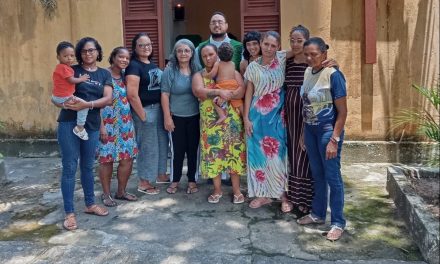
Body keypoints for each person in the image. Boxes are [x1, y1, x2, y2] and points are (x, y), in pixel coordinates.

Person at [53, 37, 113, 231]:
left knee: (87, 166)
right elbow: (57, 92)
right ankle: (69, 212)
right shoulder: (72, 69)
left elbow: (108, 99)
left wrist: (87, 105)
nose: (88, 53)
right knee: (70, 167)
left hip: (92, 125)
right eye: (84, 51)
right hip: (69, 123)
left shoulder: (104, 74)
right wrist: (61, 103)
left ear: (98, 52)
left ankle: (90, 204)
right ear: (80, 53)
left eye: (92, 50)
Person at [283, 25, 339, 217]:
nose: (295, 44)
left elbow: (330, 87)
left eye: (300, 40)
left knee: (308, 160)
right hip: (292, 118)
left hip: (311, 119)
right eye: (292, 40)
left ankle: (310, 203)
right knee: (294, 157)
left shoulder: (320, 66)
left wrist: (335, 64)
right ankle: (295, 198)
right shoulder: (287, 62)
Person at [296, 37, 347, 242]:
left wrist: (334, 139)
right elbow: (306, 106)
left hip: (328, 131)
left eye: (314, 54)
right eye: (306, 54)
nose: (309, 58)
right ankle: (317, 214)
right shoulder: (308, 72)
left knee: (332, 176)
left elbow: (342, 112)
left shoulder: (334, 75)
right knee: (317, 174)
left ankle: (338, 222)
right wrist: (302, 133)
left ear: (324, 54)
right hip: (310, 130)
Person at [192, 44, 246, 204]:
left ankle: (237, 190)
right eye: (204, 56)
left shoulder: (233, 71)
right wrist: (218, 92)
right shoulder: (199, 76)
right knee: (214, 155)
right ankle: (217, 189)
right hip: (211, 123)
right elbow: (198, 91)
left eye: (210, 54)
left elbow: (242, 90)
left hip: (232, 122)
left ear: (217, 55)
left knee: (234, 154)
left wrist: (228, 95)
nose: (208, 58)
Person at [243, 31, 288, 209]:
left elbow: (303, 49)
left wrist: (331, 61)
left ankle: (283, 195)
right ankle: (262, 195)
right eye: (266, 44)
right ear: (261, 43)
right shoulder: (252, 67)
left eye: (273, 45)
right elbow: (248, 93)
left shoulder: (282, 58)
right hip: (256, 116)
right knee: (258, 156)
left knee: (279, 156)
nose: (269, 48)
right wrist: (246, 118)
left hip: (277, 118)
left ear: (278, 47)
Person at [126, 32, 169, 195]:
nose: (146, 48)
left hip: (158, 109)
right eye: (141, 45)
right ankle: (144, 182)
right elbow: (131, 93)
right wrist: (143, 115)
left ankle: (159, 174)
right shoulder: (134, 66)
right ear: (135, 48)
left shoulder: (150, 64)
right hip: (145, 110)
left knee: (161, 143)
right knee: (148, 147)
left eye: (149, 44)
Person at [97, 47, 138, 207]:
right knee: (106, 160)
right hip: (107, 125)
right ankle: (106, 194)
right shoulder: (102, 75)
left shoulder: (125, 77)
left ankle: (121, 191)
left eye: (127, 58)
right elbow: (98, 103)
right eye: (121, 57)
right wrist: (101, 127)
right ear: (113, 57)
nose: (124, 60)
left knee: (127, 160)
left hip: (125, 125)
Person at [161, 39, 201, 194]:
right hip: (176, 116)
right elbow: (164, 94)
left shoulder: (197, 70)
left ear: (192, 53)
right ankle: (175, 180)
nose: (183, 54)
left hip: (195, 117)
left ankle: (192, 180)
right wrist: (167, 117)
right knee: (177, 151)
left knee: (193, 150)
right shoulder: (170, 71)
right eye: (179, 50)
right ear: (175, 53)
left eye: (186, 50)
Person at [51, 41, 90, 140]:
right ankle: (79, 128)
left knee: (75, 105)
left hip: (58, 96)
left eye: (72, 56)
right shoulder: (64, 68)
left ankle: (65, 106)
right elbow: (71, 80)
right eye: (65, 56)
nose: (69, 58)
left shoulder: (62, 68)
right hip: (64, 96)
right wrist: (82, 79)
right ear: (58, 57)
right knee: (84, 106)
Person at [203, 42, 243, 124]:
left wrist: (206, 75)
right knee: (239, 103)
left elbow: (212, 74)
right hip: (233, 86)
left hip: (222, 87)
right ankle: (244, 118)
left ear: (218, 54)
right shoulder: (233, 64)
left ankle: (222, 115)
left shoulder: (218, 63)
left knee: (215, 101)